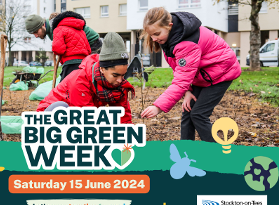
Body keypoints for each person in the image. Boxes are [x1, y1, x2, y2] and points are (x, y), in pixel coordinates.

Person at [140, 7, 241, 142]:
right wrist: (187, 91)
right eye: (151, 35)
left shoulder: (186, 42)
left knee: (198, 114)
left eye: (156, 34)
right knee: (187, 111)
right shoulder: (171, 37)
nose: (153, 39)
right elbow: (180, 70)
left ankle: (219, 154)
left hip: (222, 72)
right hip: (203, 74)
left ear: (169, 26)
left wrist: (158, 106)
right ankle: (185, 153)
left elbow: (181, 80)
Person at [37, 32, 134, 124]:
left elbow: (123, 116)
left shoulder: (118, 84)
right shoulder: (80, 81)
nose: (120, 80)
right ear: (102, 69)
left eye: (123, 75)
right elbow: (87, 120)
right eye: (115, 75)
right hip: (50, 115)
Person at [25, 13, 102, 54]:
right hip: (84, 45)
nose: (36, 36)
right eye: (33, 34)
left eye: (36, 32)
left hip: (92, 43)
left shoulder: (55, 26)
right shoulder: (50, 29)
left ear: (42, 25)